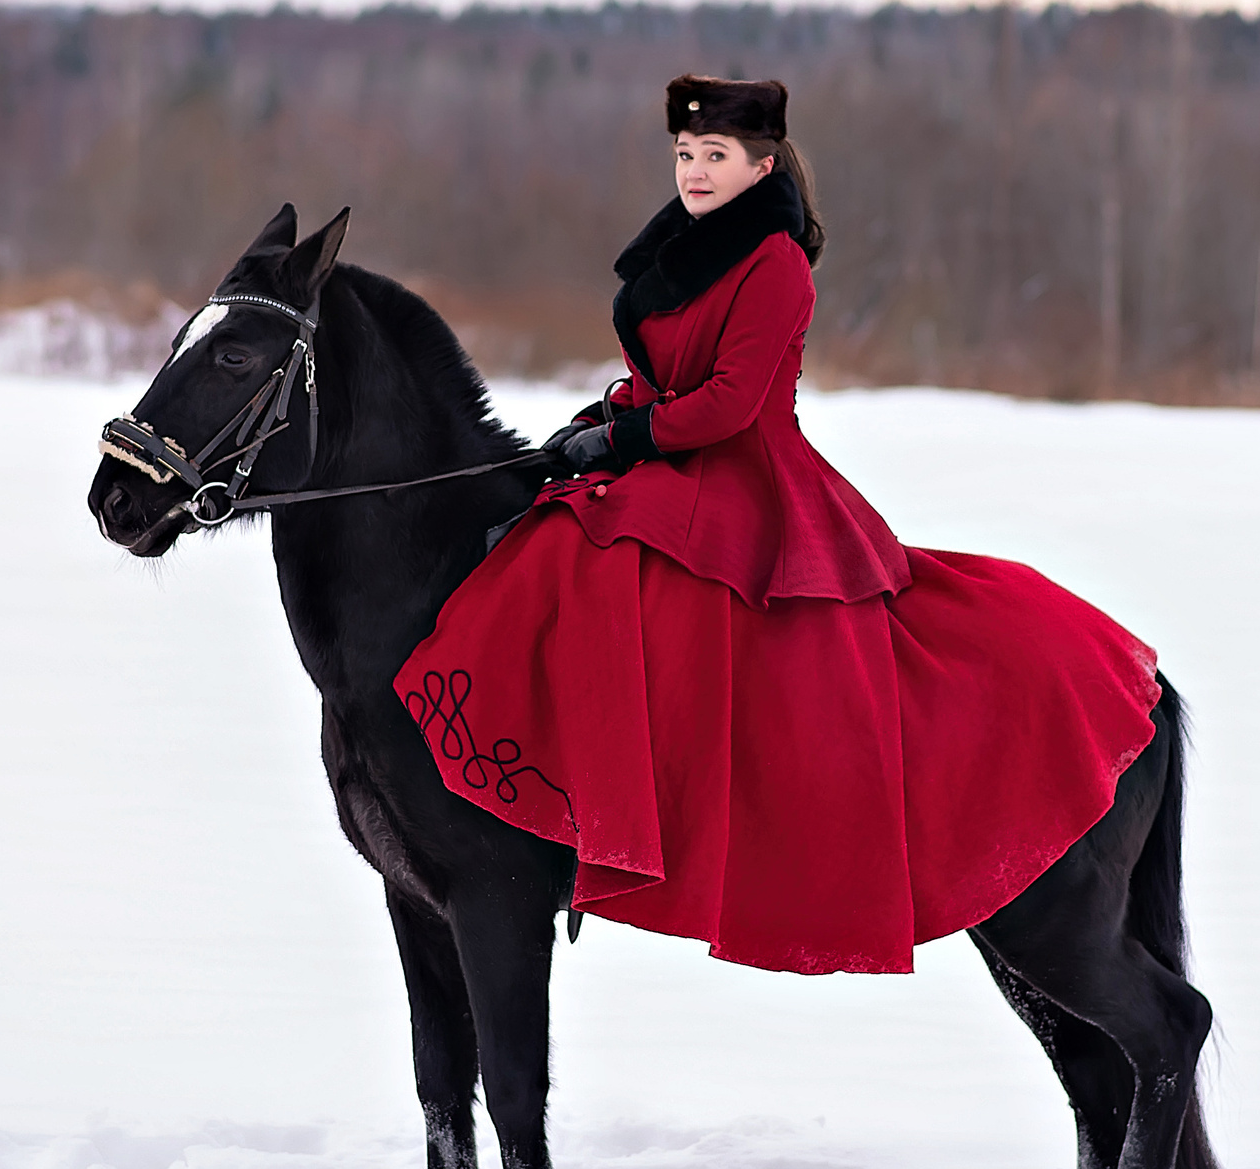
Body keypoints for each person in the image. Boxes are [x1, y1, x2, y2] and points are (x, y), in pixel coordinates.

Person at [393, 76, 1162, 974]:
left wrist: (626, 438)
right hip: (674, 460)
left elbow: (728, 403)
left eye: (715, 156)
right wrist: (600, 421)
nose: (694, 171)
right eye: (685, 154)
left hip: (746, 474)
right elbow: (661, 377)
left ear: (762, 166)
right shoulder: (683, 247)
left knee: (598, 556)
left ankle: (641, 813)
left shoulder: (773, 263)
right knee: (555, 533)